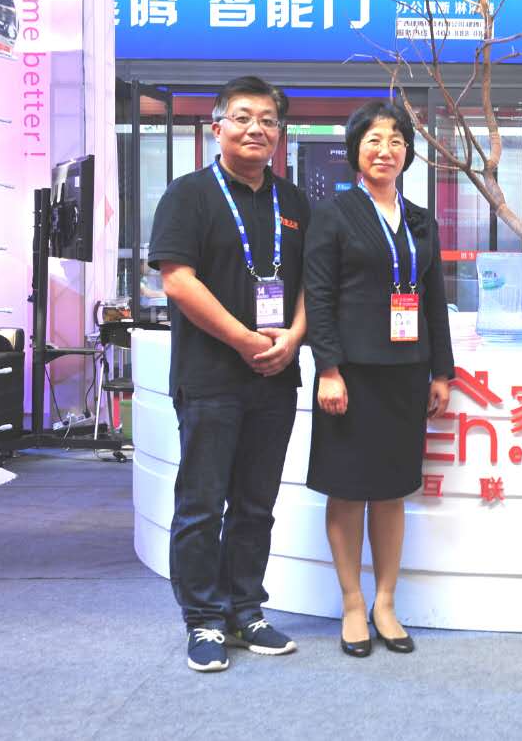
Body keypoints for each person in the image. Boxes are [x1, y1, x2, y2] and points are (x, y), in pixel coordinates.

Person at [148, 76, 311, 673]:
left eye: (267, 120)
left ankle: (246, 610)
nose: (255, 129)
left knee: (256, 503)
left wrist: (294, 336)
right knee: (201, 502)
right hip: (210, 377)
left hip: (275, 378)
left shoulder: (294, 202)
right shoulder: (188, 194)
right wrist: (243, 339)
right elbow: (177, 280)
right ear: (216, 127)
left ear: (279, 133)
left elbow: (313, 284)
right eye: (242, 117)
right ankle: (203, 619)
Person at [304, 100, 453, 658]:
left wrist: (441, 371)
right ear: (355, 151)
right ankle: (351, 604)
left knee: (392, 491)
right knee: (347, 491)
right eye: (373, 140)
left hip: (406, 376)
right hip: (349, 376)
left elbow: (433, 299)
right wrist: (328, 369)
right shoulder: (334, 214)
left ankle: (385, 603)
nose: (385, 150)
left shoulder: (419, 219)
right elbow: (318, 297)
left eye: (396, 140)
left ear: (407, 152)